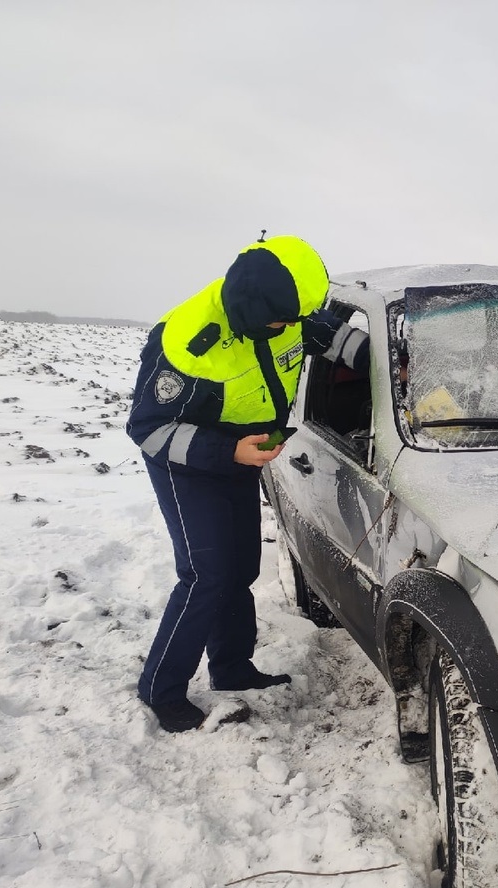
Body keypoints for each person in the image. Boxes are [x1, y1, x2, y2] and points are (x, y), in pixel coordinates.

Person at [126, 234, 358, 733]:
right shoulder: (187, 342)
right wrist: (228, 450)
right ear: (253, 312)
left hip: (241, 453)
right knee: (205, 575)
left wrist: (392, 360)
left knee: (239, 569)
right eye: (283, 322)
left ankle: (231, 668)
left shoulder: (282, 310)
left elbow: (329, 337)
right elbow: (147, 428)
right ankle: (160, 689)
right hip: (186, 462)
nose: (291, 329)